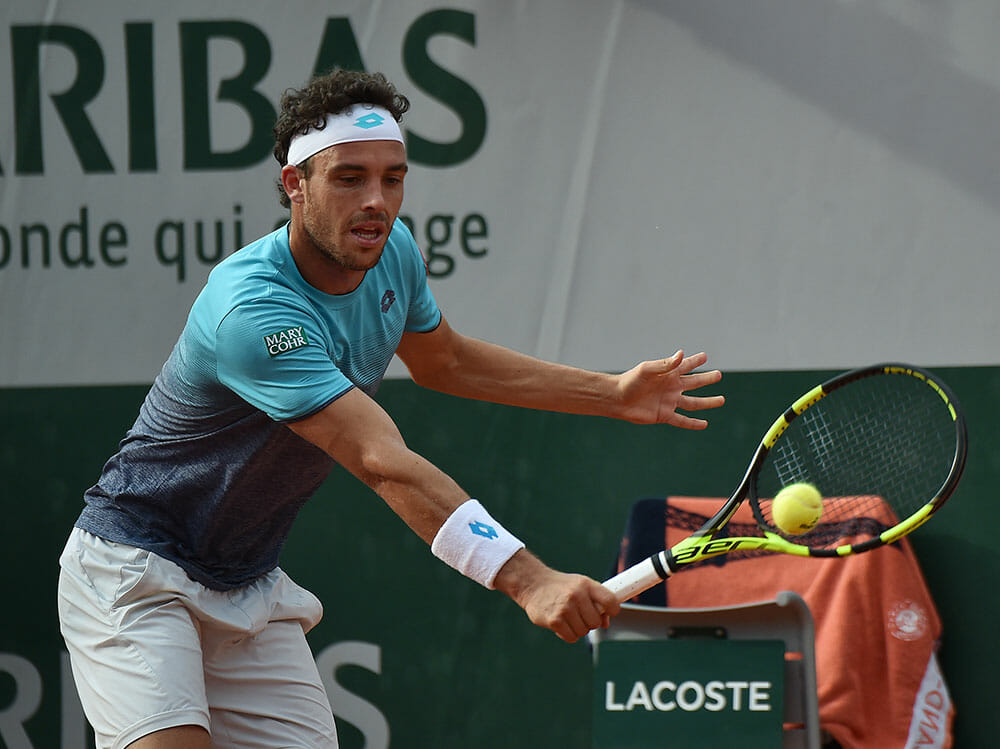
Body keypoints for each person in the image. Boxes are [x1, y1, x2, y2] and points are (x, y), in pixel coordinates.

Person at [57, 68, 725, 749]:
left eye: (393, 178)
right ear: (296, 184)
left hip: (245, 582)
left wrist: (611, 393)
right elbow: (380, 460)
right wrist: (529, 581)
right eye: (349, 178)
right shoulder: (252, 311)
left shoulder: (391, 252)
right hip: (137, 571)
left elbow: (447, 361)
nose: (376, 201)